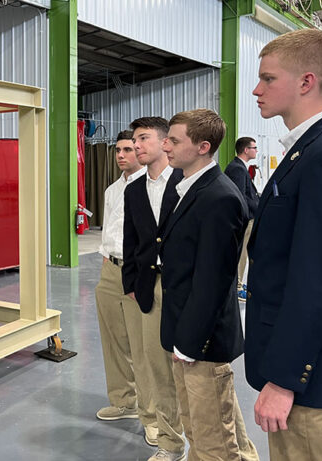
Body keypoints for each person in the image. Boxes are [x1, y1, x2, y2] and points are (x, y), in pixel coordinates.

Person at [245, 28, 322, 461]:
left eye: (268, 78)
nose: (256, 89)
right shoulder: (306, 151)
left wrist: (285, 379)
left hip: (314, 381)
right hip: (304, 373)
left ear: (306, 82)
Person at [159, 109, 258, 461]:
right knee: (203, 425)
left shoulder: (220, 197)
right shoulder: (185, 186)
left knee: (212, 439)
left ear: (203, 146)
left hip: (201, 342)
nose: (165, 145)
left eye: (173, 139)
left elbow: (213, 282)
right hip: (184, 333)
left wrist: (188, 343)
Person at [122, 117, 184, 461]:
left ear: (165, 143)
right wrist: (131, 284)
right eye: (134, 140)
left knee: (195, 369)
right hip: (148, 289)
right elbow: (131, 240)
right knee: (157, 369)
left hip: (183, 289)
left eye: (143, 138)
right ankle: (171, 443)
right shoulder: (134, 190)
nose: (137, 146)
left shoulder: (187, 182)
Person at [94, 130, 154, 436]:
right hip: (110, 269)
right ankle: (123, 401)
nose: (121, 154)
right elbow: (110, 230)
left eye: (128, 149)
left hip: (137, 271)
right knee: (114, 341)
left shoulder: (151, 187)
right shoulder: (112, 190)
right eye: (118, 149)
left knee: (143, 348)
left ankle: (154, 417)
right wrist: (106, 256)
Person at [224, 137, 259, 298]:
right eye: (254, 147)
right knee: (241, 253)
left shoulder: (241, 168)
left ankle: (238, 285)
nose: (256, 150)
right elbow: (238, 196)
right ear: (246, 150)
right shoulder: (237, 169)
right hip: (244, 220)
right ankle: (237, 287)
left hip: (247, 218)